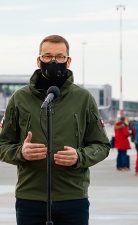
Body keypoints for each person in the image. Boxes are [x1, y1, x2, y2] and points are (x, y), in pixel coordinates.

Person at [0, 35, 110, 225]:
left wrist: (80, 156)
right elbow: (2, 144)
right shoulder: (19, 98)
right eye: (47, 56)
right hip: (30, 199)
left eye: (59, 57)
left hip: (73, 198)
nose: (53, 62)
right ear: (38, 60)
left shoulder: (83, 98)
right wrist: (20, 152)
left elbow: (102, 145)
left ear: (68, 61)